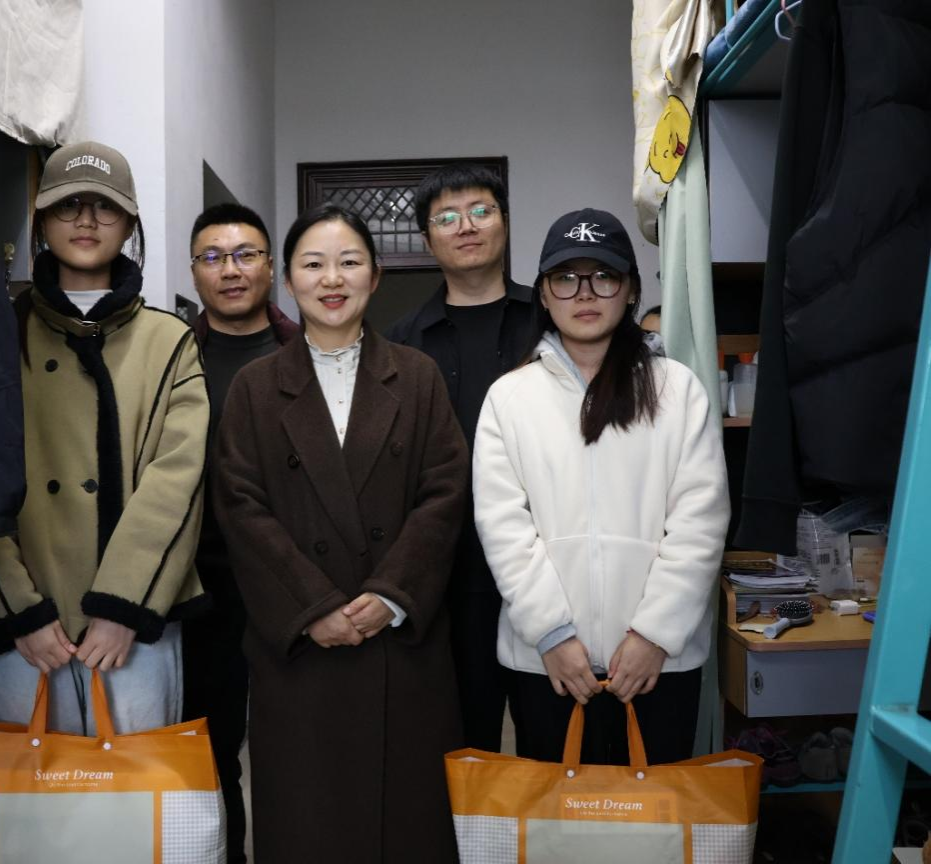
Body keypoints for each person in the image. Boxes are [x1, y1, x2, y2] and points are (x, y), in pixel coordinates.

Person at [215, 204, 467, 862]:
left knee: (407, 829)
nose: (333, 279)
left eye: (349, 262)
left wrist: (390, 594)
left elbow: (444, 495)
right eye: (314, 264)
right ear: (287, 280)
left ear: (375, 276)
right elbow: (241, 508)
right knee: (311, 825)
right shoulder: (254, 388)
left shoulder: (417, 376)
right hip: (302, 652)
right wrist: (314, 606)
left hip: (399, 645)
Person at [0, 141, 209, 735]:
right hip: (28, 625)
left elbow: (177, 483)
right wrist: (20, 610)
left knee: (140, 788)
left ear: (129, 223)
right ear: (42, 220)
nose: (87, 221)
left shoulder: (169, 341)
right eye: (69, 205)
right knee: (35, 790)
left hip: (134, 623)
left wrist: (123, 607)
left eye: (106, 206)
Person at [473, 208, 728, 765]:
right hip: (547, 665)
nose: (584, 293)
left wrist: (654, 635)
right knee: (558, 815)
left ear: (630, 289)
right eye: (565, 278)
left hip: (659, 664)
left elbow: (701, 522)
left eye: (604, 276)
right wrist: (552, 635)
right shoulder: (509, 398)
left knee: (656, 812)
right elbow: (504, 528)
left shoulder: (678, 390)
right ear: (544, 294)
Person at [387, 163, 533, 752]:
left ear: (505, 222)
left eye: (480, 211)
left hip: (547, 564)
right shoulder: (401, 342)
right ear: (428, 241)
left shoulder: (550, 322)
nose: (466, 226)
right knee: (465, 747)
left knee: (556, 742)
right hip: (448, 576)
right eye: (446, 217)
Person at [183, 202, 298, 864]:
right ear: (194, 271)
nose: (230, 270)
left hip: (292, 583)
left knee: (297, 745)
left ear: (271, 267)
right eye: (213, 257)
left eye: (245, 254)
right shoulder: (173, 356)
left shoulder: (305, 351)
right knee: (209, 748)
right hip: (200, 589)